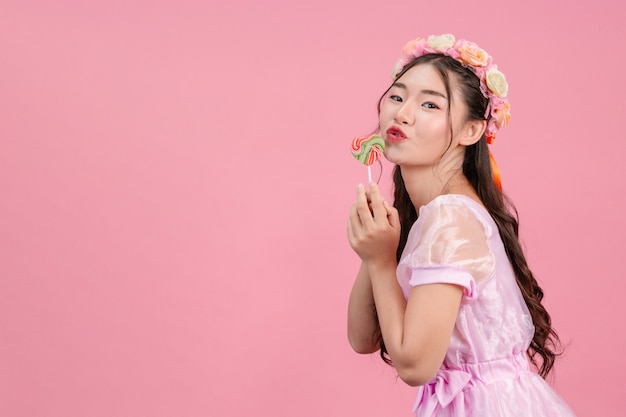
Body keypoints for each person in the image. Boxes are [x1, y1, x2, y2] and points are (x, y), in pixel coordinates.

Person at [346, 34, 576, 416]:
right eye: (398, 97)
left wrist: (383, 261)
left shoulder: (450, 219)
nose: (402, 114)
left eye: (430, 104)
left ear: (471, 131)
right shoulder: (436, 214)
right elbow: (363, 337)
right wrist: (374, 254)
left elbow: (416, 366)